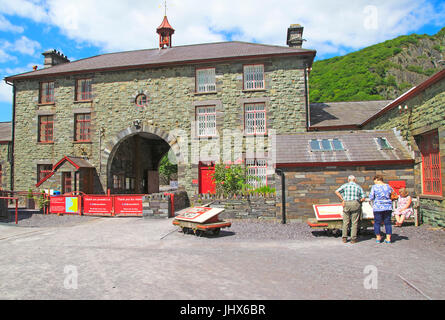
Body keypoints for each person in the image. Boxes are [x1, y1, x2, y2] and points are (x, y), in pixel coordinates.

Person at [335, 175, 365, 244]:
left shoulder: (345, 185)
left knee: (345, 221)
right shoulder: (358, 187)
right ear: (355, 180)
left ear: (348, 180)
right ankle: (353, 239)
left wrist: (342, 199)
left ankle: (344, 238)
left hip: (346, 203)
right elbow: (363, 198)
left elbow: (336, 191)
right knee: (354, 222)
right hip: (355, 203)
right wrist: (359, 200)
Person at [369, 175, 394, 244]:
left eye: (374, 180)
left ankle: (378, 237)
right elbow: (393, 194)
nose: (374, 182)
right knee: (388, 223)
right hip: (388, 206)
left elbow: (371, 197)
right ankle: (388, 238)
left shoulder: (374, 187)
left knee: (377, 222)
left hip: (378, 207)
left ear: (377, 179)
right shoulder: (388, 186)